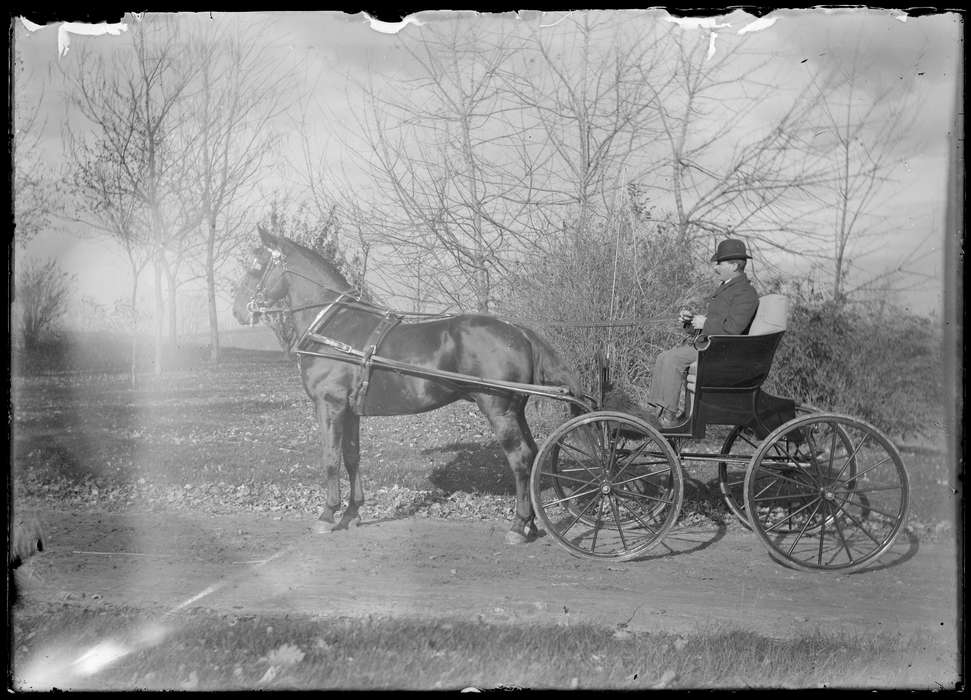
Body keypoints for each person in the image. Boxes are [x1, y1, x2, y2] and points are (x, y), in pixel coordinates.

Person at [647, 238, 759, 428]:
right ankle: (659, 412)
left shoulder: (746, 293)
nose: (716, 267)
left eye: (719, 263)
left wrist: (705, 323)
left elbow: (732, 329)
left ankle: (669, 416)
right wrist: (690, 322)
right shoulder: (727, 288)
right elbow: (714, 324)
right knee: (663, 357)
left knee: (673, 359)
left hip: (722, 352)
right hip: (710, 346)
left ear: (733, 265)